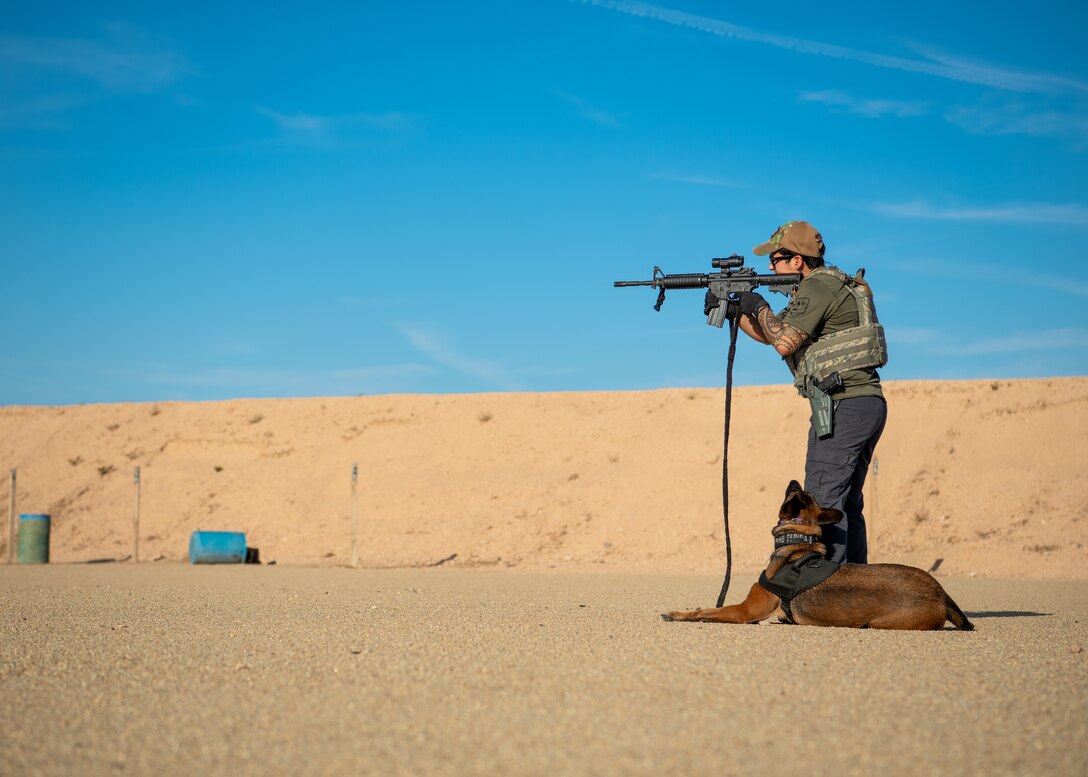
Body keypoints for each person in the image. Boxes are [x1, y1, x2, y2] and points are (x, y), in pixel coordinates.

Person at [711, 220, 888, 564]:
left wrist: (757, 304)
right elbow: (773, 334)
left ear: (797, 261)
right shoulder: (824, 286)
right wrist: (736, 312)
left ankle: (829, 588)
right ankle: (855, 586)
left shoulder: (818, 288)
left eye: (776, 258)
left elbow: (784, 341)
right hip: (859, 402)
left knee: (822, 501)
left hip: (845, 403)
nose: (770, 266)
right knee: (845, 501)